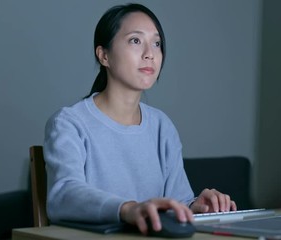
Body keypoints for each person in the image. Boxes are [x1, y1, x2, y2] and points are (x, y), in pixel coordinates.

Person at [43, 3, 237, 235]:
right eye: (135, 40)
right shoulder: (69, 123)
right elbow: (64, 195)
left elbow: (178, 199)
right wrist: (129, 209)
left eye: (156, 43)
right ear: (104, 55)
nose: (150, 53)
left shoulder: (162, 126)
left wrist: (194, 207)